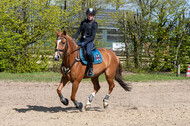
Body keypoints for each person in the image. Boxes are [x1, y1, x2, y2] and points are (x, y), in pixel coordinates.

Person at [73, 8, 98, 77]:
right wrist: (74, 39)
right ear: (87, 15)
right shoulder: (83, 22)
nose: (90, 16)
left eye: (91, 15)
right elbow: (78, 32)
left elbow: (92, 36)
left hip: (89, 41)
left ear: (93, 16)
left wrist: (85, 42)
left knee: (88, 53)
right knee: (73, 49)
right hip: (81, 40)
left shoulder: (94, 24)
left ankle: (90, 69)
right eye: (89, 15)